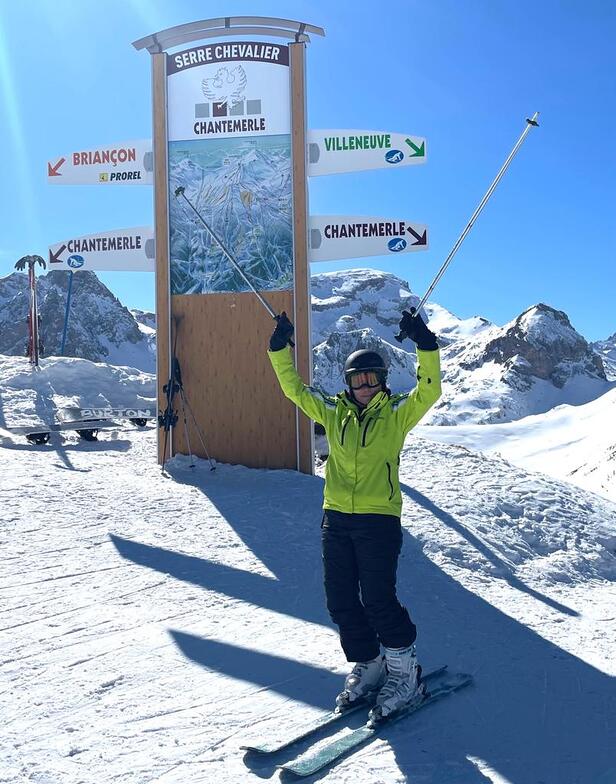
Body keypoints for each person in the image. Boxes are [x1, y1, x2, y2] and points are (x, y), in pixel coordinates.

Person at [267, 308, 441, 720]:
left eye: (372, 378)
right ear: (347, 383)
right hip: (336, 518)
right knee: (340, 600)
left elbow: (429, 391)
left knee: (379, 599)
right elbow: (294, 390)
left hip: (378, 519)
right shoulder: (333, 411)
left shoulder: (397, 413)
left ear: (382, 380)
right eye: (357, 379)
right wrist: (278, 350)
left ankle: (405, 672)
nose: (364, 386)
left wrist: (426, 343)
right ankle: (370, 664)